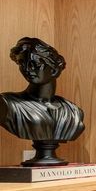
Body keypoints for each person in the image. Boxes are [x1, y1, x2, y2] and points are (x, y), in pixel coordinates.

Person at [0, 37, 84, 166]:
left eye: (35, 64)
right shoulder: (7, 104)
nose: (27, 69)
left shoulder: (73, 111)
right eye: (22, 63)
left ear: (54, 70)